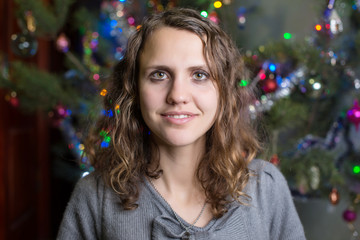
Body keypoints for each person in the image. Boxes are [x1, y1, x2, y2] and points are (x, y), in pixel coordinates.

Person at [57, 8, 306, 240]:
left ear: (224, 92)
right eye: (159, 75)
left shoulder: (266, 188)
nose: (177, 95)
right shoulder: (95, 197)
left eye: (200, 75)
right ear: (133, 89)